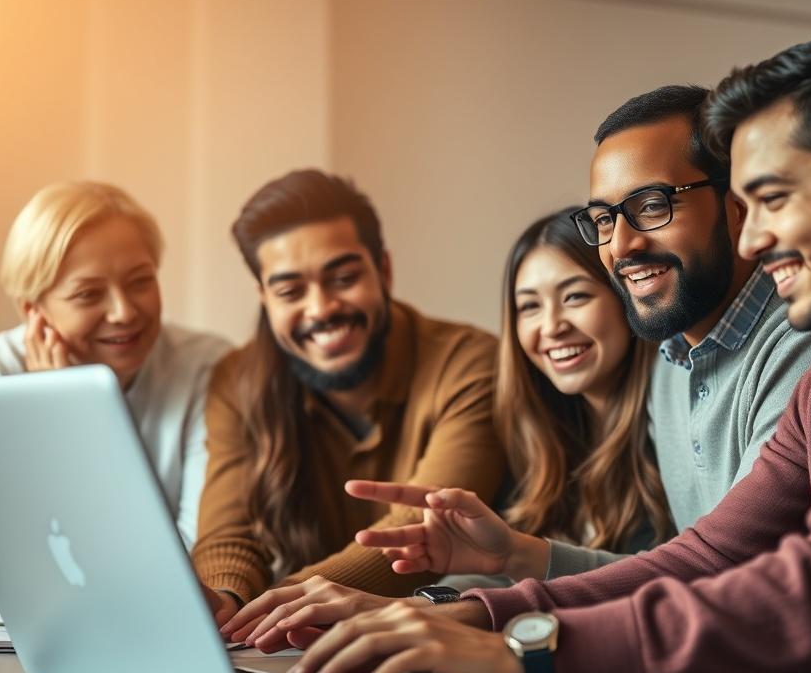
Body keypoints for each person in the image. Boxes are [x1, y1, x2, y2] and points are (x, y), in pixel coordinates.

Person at [273, 22, 811, 673]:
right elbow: (705, 559)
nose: (751, 239)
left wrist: (534, 654)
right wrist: (481, 617)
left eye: (773, 199)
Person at [221, 86, 811, 650]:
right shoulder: (673, 363)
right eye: (604, 220)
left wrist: (483, 619)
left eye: (651, 206)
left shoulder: (802, 347)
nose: (621, 245)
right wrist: (519, 557)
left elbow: (725, 580)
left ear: (737, 208)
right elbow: (681, 577)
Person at [224, 207, 674, 648]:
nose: (551, 326)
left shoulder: (670, 424)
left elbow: (687, 582)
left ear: (626, 295)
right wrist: (408, 609)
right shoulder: (539, 435)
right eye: (528, 307)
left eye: (575, 296)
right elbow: (496, 575)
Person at [192, 169, 506, 626]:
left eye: (342, 278)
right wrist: (225, 600)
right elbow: (230, 532)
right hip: (289, 644)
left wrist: (270, 610)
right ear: (264, 299)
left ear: (384, 270)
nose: (320, 309)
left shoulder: (471, 364)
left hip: (431, 637)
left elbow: (417, 530)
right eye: (290, 291)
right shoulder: (235, 381)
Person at [0, 181, 229, 549]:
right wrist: (59, 418)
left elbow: (197, 548)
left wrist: (80, 423)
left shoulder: (208, 367)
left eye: (140, 281)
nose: (124, 311)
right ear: (32, 311)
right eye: (88, 294)